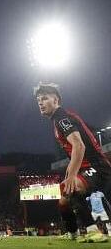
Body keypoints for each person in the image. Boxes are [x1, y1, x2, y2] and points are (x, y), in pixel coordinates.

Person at [35, 82, 110, 243]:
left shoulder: (62, 117)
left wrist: (72, 176)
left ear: (56, 100)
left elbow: (79, 145)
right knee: (63, 201)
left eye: (45, 98)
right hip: (85, 167)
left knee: (71, 186)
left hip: (97, 166)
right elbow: (74, 151)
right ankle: (73, 233)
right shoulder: (56, 120)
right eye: (38, 100)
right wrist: (70, 172)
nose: (40, 102)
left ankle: (94, 231)